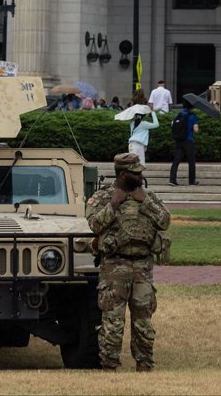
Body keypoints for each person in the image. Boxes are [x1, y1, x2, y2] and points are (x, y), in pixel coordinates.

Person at [86, 152, 171, 372]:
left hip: (142, 267)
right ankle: (109, 364)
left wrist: (146, 203)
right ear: (123, 174)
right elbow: (94, 225)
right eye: (136, 173)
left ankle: (145, 363)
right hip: (114, 266)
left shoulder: (148, 196)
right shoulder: (103, 197)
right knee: (113, 320)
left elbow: (165, 222)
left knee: (143, 320)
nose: (141, 177)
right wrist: (113, 206)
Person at [169, 101, 200, 186]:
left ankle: (172, 179)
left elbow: (173, 125)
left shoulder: (179, 114)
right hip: (188, 140)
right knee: (191, 161)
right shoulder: (193, 116)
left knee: (176, 160)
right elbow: (196, 130)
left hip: (179, 140)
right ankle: (191, 181)